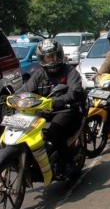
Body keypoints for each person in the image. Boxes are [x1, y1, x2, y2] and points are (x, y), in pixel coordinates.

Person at [18, 39, 86, 176]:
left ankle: (68, 162)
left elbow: (75, 91)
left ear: (59, 55)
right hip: (44, 111)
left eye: (53, 56)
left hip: (66, 110)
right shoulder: (39, 74)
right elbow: (26, 89)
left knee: (54, 132)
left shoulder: (70, 71)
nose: (50, 60)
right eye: (47, 57)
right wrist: (15, 98)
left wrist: (58, 101)